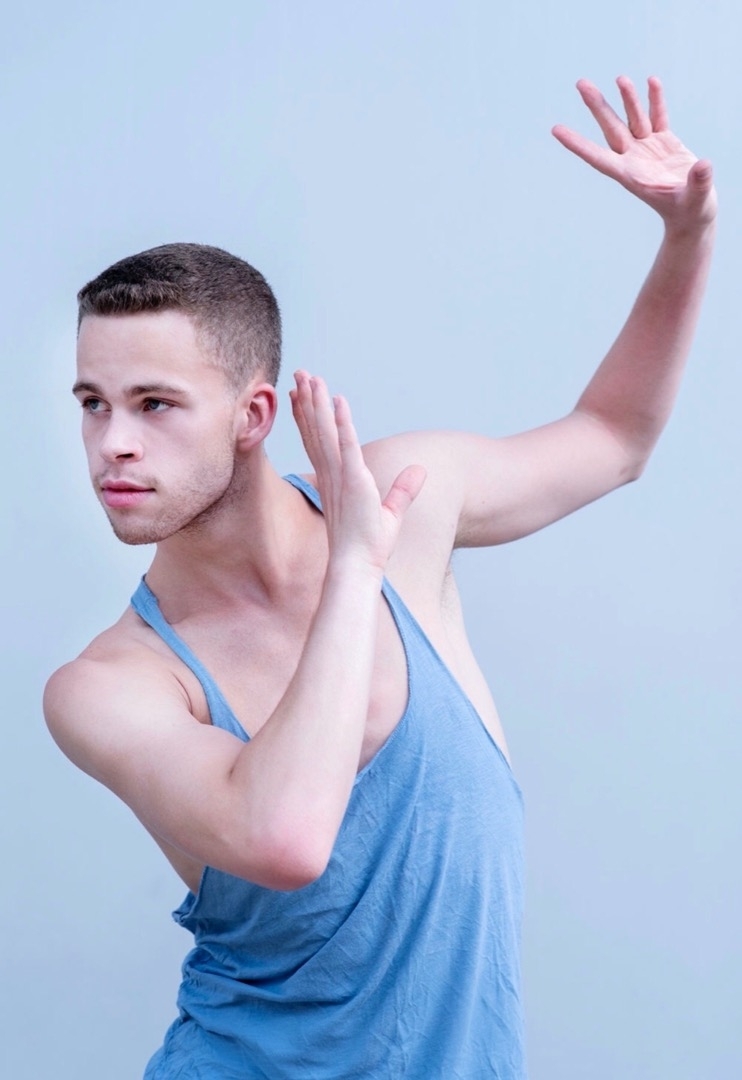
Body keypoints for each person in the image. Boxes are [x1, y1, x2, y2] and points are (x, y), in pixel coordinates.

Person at [44, 76, 716, 1079]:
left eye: (154, 404)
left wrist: (688, 235)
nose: (113, 444)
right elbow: (284, 839)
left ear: (253, 416)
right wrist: (353, 568)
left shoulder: (405, 501)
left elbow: (613, 438)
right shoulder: (112, 686)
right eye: (93, 403)